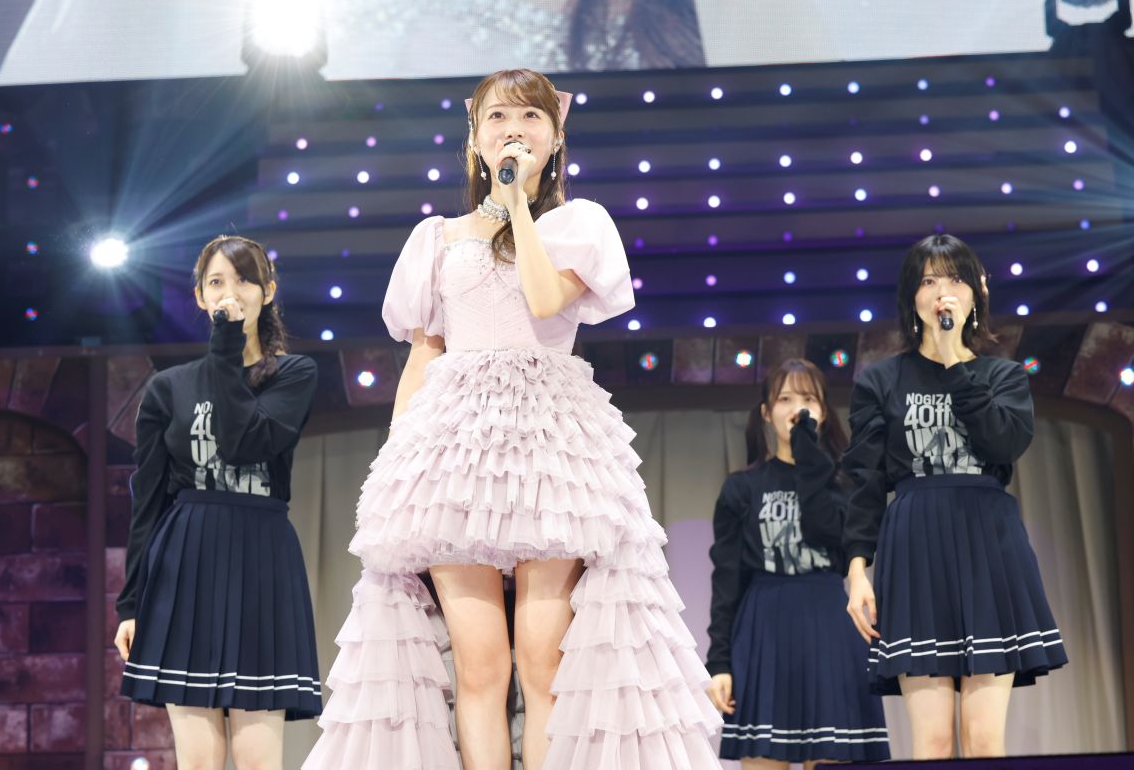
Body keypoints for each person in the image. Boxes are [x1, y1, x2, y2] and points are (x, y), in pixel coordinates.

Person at [304, 68, 720, 770]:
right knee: (479, 667)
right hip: (455, 448)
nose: (514, 129)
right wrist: (396, 468)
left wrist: (518, 206)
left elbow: (545, 299)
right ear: (474, 138)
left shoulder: (578, 224)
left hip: (549, 448)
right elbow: (424, 353)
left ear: (555, 139)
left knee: (543, 660)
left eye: (531, 117)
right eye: (498, 116)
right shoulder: (436, 238)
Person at [843, 233, 1068, 759]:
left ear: (976, 293)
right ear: (911, 297)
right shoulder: (881, 381)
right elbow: (864, 480)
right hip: (916, 548)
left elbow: (1004, 444)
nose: (942, 291)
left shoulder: (1003, 376)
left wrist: (953, 360)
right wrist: (856, 570)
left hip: (988, 546)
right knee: (934, 741)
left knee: (985, 740)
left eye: (954, 278)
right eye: (928, 280)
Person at [114, 235, 321, 769]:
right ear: (201, 298)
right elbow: (148, 502)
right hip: (187, 563)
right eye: (216, 282)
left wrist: (226, 348)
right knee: (198, 761)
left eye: (244, 279)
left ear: (268, 291)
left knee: (258, 759)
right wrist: (131, 604)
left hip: (260, 562)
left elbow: (245, 442)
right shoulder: (168, 389)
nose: (231, 292)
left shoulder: (294, 374)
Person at [706, 359, 889, 769]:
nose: (796, 408)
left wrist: (809, 456)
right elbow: (727, 579)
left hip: (828, 627)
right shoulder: (742, 487)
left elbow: (831, 535)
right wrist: (719, 662)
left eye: (808, 399)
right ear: (766, 412)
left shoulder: (845, 484)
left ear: (823, 413)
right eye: (785, 399)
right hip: (763, 631)